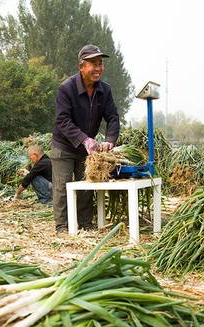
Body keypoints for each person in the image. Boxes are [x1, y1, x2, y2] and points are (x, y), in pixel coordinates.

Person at [51, 45, 120, 232]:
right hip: (64, 146)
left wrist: (110, 139)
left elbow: (113, 117)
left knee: (86, 186)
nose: (98, 68)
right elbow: (62, 120)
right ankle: (63, 227)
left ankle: (85, 225)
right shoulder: (66, 88)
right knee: (62, 186)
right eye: (93, 64)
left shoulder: (104, 91)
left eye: (100, 63)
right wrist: (84, 138)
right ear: (81, 66)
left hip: (86, 149)